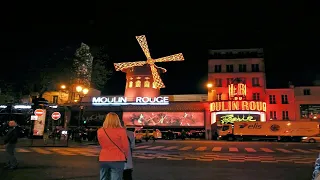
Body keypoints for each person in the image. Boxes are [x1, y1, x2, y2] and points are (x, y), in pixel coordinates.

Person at [98, 112, 130, 180]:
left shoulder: (100, 131)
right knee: (116, 177)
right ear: (117, 120)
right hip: (117, 158)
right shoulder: (121, 131)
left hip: (103, 158)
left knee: (103, 178)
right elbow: (126, 146)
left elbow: (101, 144)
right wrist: (125, 156)